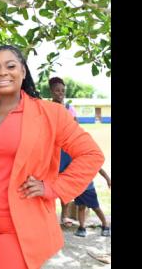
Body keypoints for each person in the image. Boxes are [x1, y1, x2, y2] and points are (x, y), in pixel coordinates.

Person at [0, 45, 105, 269]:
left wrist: (53, 188)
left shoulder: (51, 114)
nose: (2, 73)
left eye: (10, 66)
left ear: (23, 71)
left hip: (23, 223)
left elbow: (91, 155)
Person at [48, 76, 77, 228]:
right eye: (57, 91)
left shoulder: (70, 109)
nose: (60, 93)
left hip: (67, 152)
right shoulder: (47, 108)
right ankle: (49, 216)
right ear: (51, 92)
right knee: (50, 183)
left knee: (65, 184)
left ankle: (64, 216)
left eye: (63, 91)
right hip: (52, 152)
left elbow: (76, 128)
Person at [73, 167, 111, 237]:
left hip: (89, 189)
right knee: (81, 208)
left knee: (96, 208)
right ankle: (82, 228)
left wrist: (108, 179)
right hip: (77, 188)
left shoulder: (90, 159)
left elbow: (100, 169)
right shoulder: (75, 159)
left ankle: (105, 226)